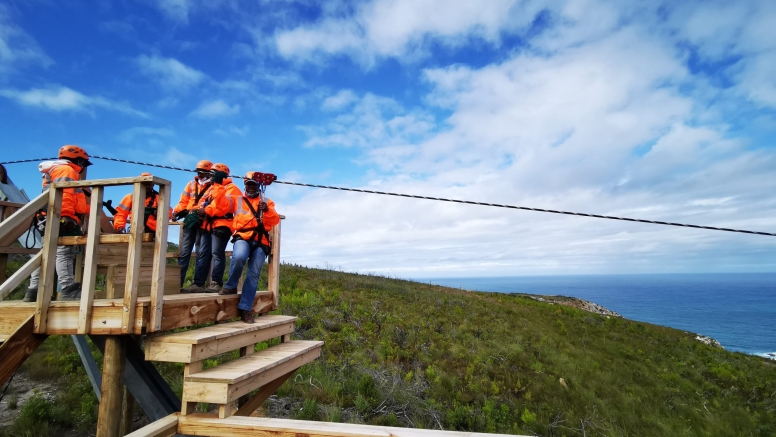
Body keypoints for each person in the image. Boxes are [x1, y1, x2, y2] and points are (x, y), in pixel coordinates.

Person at [24, 145, 92, 302]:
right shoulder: (67, 170)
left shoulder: (56, 169)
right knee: (64, 253)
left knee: (46, 254)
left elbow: (70, 198)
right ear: (79, 160)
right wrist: (67, 215)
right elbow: (65, 195)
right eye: (84, 163)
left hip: (50, 216)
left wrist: (89, 209)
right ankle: (68, 289)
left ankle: (33, 291)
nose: (83, 167)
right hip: (61, 217)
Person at [213, 172, 279, 323]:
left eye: (253, 184)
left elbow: (274, 220)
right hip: (242, 236)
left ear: (258, 186)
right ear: (245, 185)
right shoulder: (236, 200)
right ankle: (231, 285)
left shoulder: (267, 202)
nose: (250, 187)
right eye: (248, 184)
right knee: (239, 258)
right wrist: (217, 185)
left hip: (261, 240)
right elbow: (220, 206)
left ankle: (245, 308)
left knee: (253, 273)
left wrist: (267, 211)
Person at [173, 160, 215, 292]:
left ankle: (197, 284)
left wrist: (205, 212)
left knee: (200, 252)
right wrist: (176, 211)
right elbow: (183, 201)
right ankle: (176, 283)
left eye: (203, 172)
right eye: (199, 172)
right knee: (184, 252)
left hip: (203, 221)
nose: (200, 174)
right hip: (190, 219)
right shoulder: (191, 184)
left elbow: (214, 203)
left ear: (209, 172)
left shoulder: (214, 186)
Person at [201, 163, 242, 292]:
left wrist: (206, 211)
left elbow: (223, 207)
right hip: (211, 224)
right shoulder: (214, 188)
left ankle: (216, 282)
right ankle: (200, 283)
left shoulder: (232, 189)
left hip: (223, 224)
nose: (210, 177)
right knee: (206, 253)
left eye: (213, 174)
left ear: (220, 175)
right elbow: (207, 203)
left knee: (217, 254)